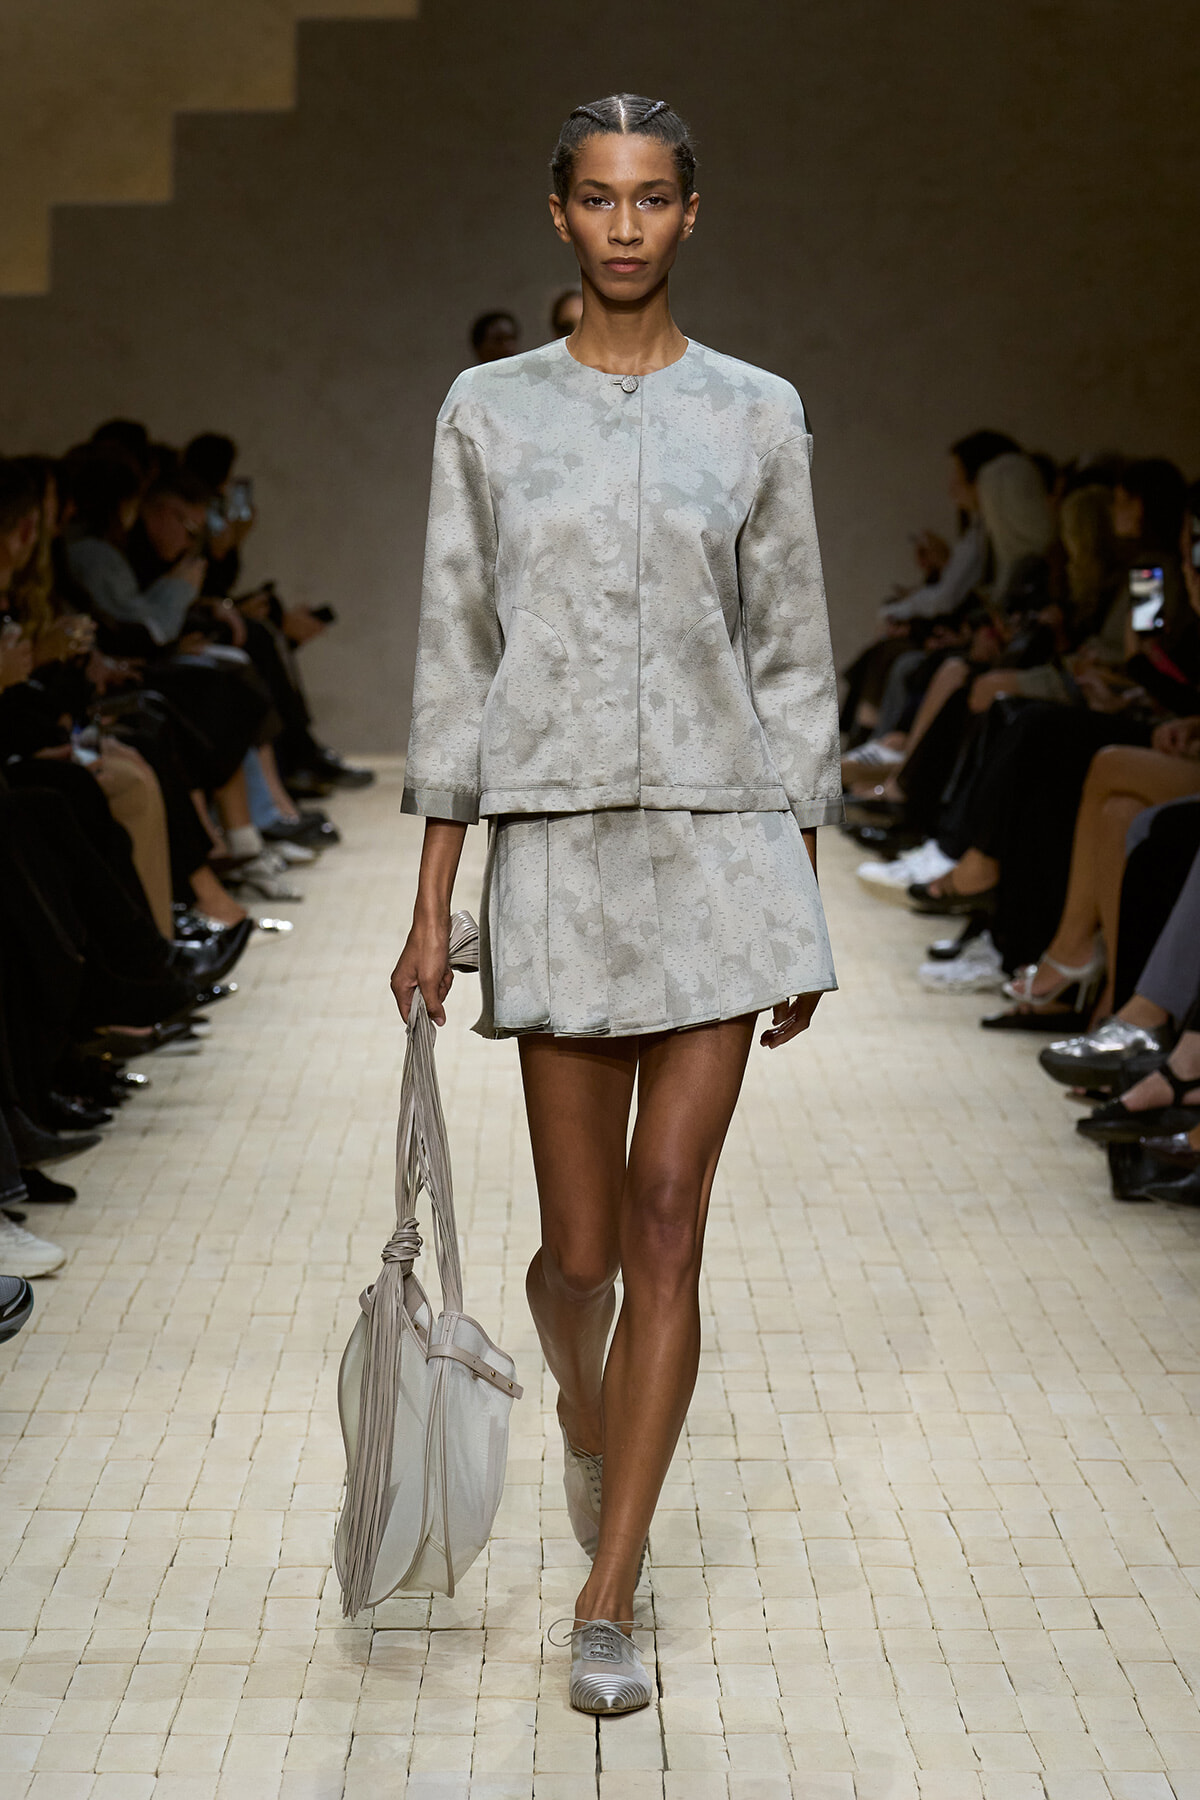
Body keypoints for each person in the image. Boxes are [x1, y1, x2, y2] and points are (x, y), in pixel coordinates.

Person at [392, 93, 841, 1715]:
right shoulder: (489, 414)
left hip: (721, 853)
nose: (629, 225)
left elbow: (792, 653)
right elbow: (457, 648)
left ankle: (610, 1585)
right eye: (601, 198)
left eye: (655, 198)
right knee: (573, 1255)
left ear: (692, 213)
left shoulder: (758, 415)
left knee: (667, 1224)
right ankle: (584, 1413)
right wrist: (434, 898)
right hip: (563, 856)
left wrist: (802, 889)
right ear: (562, 216)